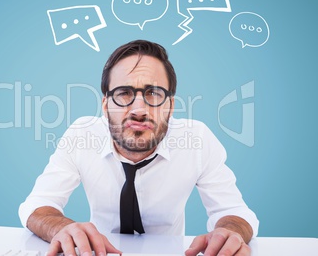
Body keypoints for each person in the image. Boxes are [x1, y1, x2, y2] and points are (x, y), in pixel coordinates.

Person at [19, 40, 259, 256]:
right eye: (124, 93)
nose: (139, 109)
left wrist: (229, 231)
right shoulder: (81, 135)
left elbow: (233, 210)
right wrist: (61, 228)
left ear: (171, 105)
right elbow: (37, 204)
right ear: (105, 104)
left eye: (153, 93)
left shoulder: (197, 139)